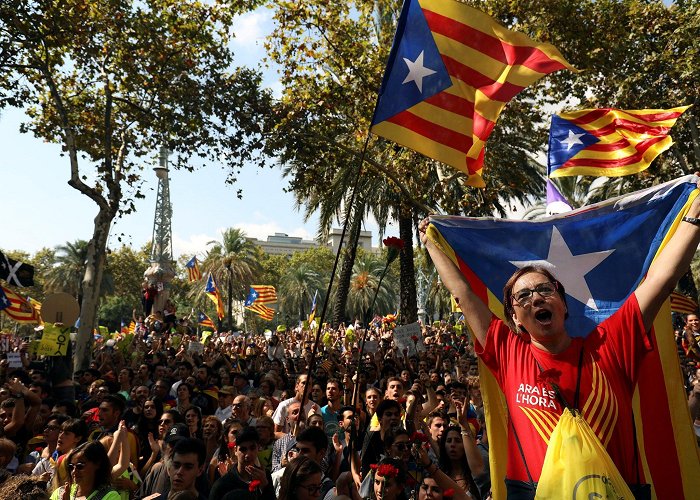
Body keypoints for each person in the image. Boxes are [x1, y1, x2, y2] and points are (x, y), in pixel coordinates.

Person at [419, 190, 700, 499]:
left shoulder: (610, 345)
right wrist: (431, 244)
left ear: (564, 305)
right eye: (523, 296)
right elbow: (462, 292)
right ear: (513, 319)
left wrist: (695, 215)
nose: (536, 297)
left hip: (616, 489)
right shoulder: (507, 352)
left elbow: (662, 278)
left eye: (545, 289)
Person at [209, 427, 275, 500]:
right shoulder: (223, 484)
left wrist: (265, 487)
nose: (248, 455)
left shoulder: (265, 477)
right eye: (243, 449)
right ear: (235, 450)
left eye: (252, 448)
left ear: (258, 448)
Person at [50, 441, 120, 500]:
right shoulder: (60, 493)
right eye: (71, 467)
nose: (74, 471)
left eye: (80, 466)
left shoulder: (110, 496)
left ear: (98, 464)